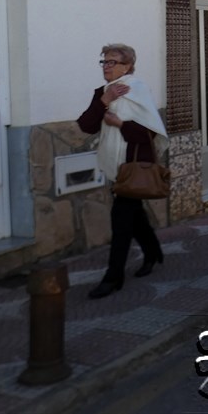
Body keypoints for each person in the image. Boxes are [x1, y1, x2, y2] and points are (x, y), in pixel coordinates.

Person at [77, 43, 168, 299]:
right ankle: (152, 252)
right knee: (134, 216)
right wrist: (104, 101)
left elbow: (149, 134)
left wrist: (120, 124)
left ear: (127, 67)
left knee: (121, 221)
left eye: (112, 62)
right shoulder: (102, 93)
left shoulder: (137, 90)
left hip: (133, 165)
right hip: (114, 165)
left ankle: (113, 277)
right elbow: (86, 125)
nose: (106, 66)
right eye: (104, 62)